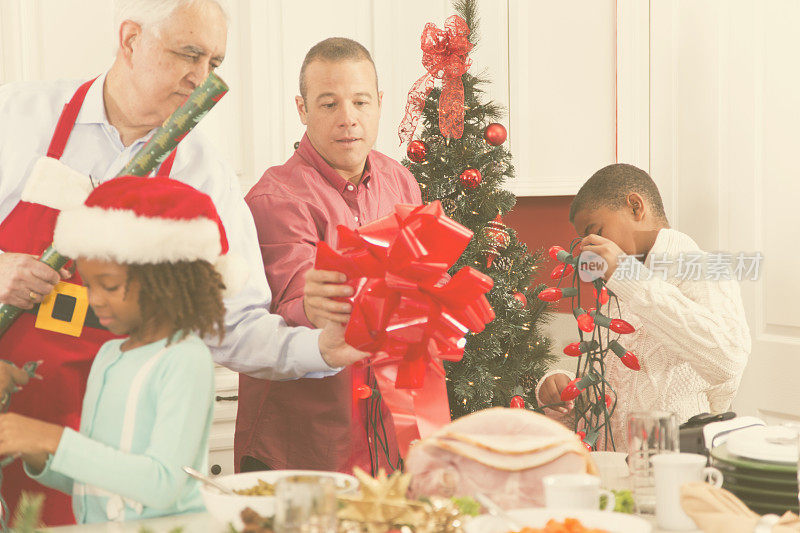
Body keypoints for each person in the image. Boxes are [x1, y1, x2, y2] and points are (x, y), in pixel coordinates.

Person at [0, 1, 365, 524]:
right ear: (130, 40)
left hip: (96, 455)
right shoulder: (15, 117)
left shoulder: (204, 174)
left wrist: (319, 348)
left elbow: (232, 323)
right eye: (188, 54)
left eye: (214, 63)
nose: (201, 77)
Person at [236, 38, 422, 474]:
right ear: (302, 109)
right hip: (303, 446)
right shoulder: (276, 198)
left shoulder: (400, 181)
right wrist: (322, 307)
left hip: (386, 436)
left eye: (360, 101)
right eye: (328, 104)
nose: (348, 119)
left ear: (378, 103)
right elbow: (294, 305)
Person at [0, 176, 229, 524]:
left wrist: (53, 439)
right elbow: (97, 479)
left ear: (165, 281)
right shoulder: (109, 356)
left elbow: (162, 484)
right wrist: (38, 453)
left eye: (109, 286)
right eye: (90, 285)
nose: (93, 300)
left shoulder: (185, 359)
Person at [536, 163, 751, 449]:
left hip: (676, 473)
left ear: (636, 207)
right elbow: (611, 392)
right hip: (614, 475)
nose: (593, 248)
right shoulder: (618, 287)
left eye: (597, 231)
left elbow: (728, 360)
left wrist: (627, 276)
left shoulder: (706, 269)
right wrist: (561, 388)